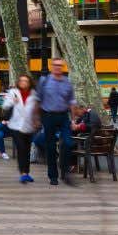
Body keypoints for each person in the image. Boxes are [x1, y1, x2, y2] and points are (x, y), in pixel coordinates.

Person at [36, 58, 76, 186]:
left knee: (68, 143)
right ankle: (53, 176)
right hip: (48, 116)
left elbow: (72, 102)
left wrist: (74, 120)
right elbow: (38, 100)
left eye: (60, 65)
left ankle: (65, 171)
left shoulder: (67, 82)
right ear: (52, 67)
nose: (58, 67)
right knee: (51, 147)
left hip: (64, 116)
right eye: (55, 65)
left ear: (63, 67)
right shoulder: (44, 81)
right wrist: (37, 118)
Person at [3, 74, 40, 184]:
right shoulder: (13, 92)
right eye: (22, 81)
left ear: (29, 83)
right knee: (21, 148)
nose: (24, 83)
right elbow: (5, 106)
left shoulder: (34, 94)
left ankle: (27, 173)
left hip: (29, 125)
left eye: (26, 81)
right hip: (16, 125)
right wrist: (12, 101)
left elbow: (37, 109)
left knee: (27, 149)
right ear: (18, 82)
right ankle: (23, 173)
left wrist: (37, 120)